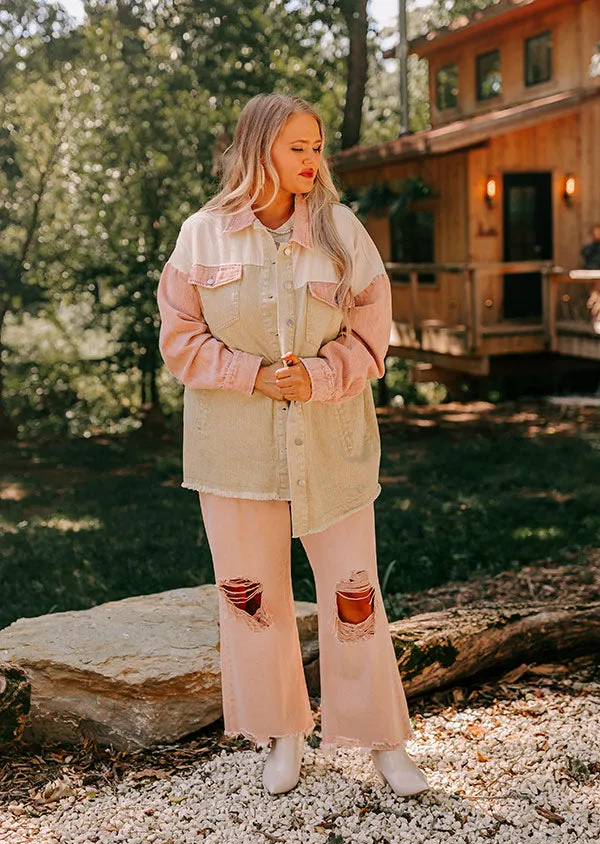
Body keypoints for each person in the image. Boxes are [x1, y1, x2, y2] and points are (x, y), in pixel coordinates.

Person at [156, 93, 429, 798]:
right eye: (296, 148)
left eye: (316, 147)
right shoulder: (201, 236)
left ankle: (382, 740)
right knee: (253, 599)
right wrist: (252, 376)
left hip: (331, 447)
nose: (311, 161)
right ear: (259, 151)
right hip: (233, 455)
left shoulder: (342, 232)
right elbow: (180, 341)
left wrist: (316, 377)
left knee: (353, 594)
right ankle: (283, 734)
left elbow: (372, 336)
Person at [581, 224, 600, 330]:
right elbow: (584, 252)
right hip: (591, 275)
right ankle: (594, 319)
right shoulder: (591, 248)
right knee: (594, 297)